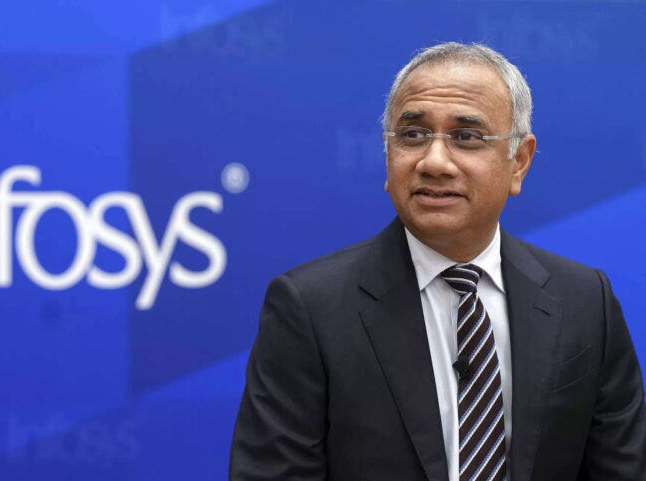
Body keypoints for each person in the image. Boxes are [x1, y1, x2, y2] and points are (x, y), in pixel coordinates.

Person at [228, 42, 646, 481]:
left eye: (466, 137)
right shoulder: (310, 308)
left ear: (519, 162)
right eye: (413, 135)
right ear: (388, 154)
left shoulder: (585, 302)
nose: (435, 162)